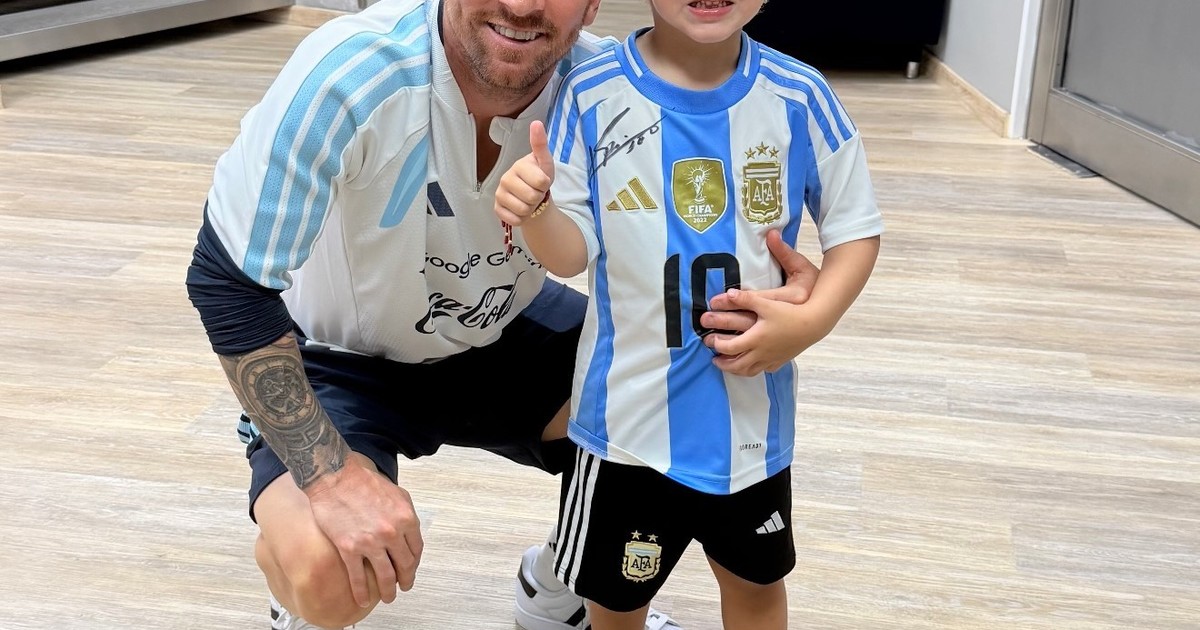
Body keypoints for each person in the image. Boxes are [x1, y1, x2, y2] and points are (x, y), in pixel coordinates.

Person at [184, 0, 821, 628]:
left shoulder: (608, 89)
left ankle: (561, 586)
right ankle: (295, 588)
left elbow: (704, 212)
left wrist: (788, 295)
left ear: (592, 5)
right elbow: (226, 280)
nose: (521, 4)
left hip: (504, 324)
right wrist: (330, 480)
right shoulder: (348, 74)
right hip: (336, 359)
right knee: (327, 574)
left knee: (676, 400)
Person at [493, 0, 884, 628]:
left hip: (751, 426)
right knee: (616, 604)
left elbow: (855, 229)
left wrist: (810, 323)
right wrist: (535, 211)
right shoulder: (592, 94)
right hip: (625, 429)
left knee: (757, 590)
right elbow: (569, 255)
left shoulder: (800, 95)